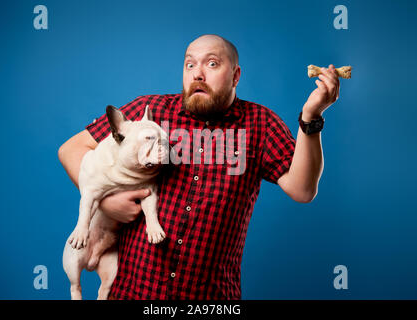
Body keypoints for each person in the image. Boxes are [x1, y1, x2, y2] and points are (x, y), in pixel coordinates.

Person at [58, 34, 340, 299]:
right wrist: (106, 202)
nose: (197, 74)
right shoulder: (150, 112)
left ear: (235, 76)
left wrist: (311, 118)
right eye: (190, 64)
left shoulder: (260, 123)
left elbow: (303, 190)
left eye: (212, 63)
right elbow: (71, 149)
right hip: (134, 291)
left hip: (210, 298)